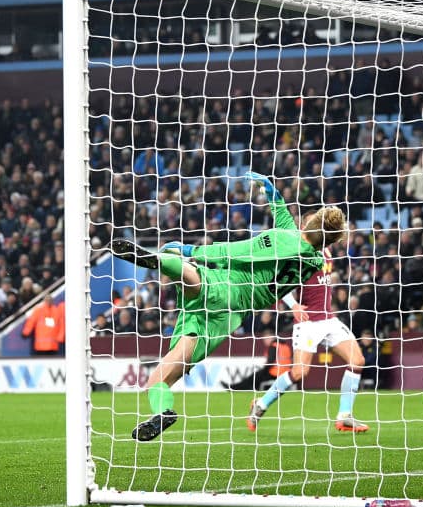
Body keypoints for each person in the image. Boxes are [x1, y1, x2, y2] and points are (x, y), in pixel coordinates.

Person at [110, 171, 346, 441]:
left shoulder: (282, 241)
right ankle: (163, 412)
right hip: (231, 316)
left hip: (230, 287)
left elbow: (236, 251)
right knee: (157, 381)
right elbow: (285, 221)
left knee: (190, 273)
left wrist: (192, 250)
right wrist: (272, 192)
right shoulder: (315, 259)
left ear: (311, 221)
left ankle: (159, 260)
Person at [248, 246, 370, 433]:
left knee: (357, 361)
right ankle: (261, 404)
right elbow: (277, 283)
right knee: (299, 372)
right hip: (308, 323)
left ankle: (345, 416)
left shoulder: (328, 250)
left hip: (329, 319)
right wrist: (294, 305)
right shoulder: (300, 252)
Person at [225, 328, 291, 391]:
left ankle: (235, 388)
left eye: (265, 339)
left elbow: (270, 362)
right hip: (286, 373)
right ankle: (237, 387)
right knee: (257, 376)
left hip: (276, 373)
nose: (264, 341)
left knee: (255, 376)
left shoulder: (273, 346)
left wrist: (264, 371)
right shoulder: (285, 346)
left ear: (271, 337)